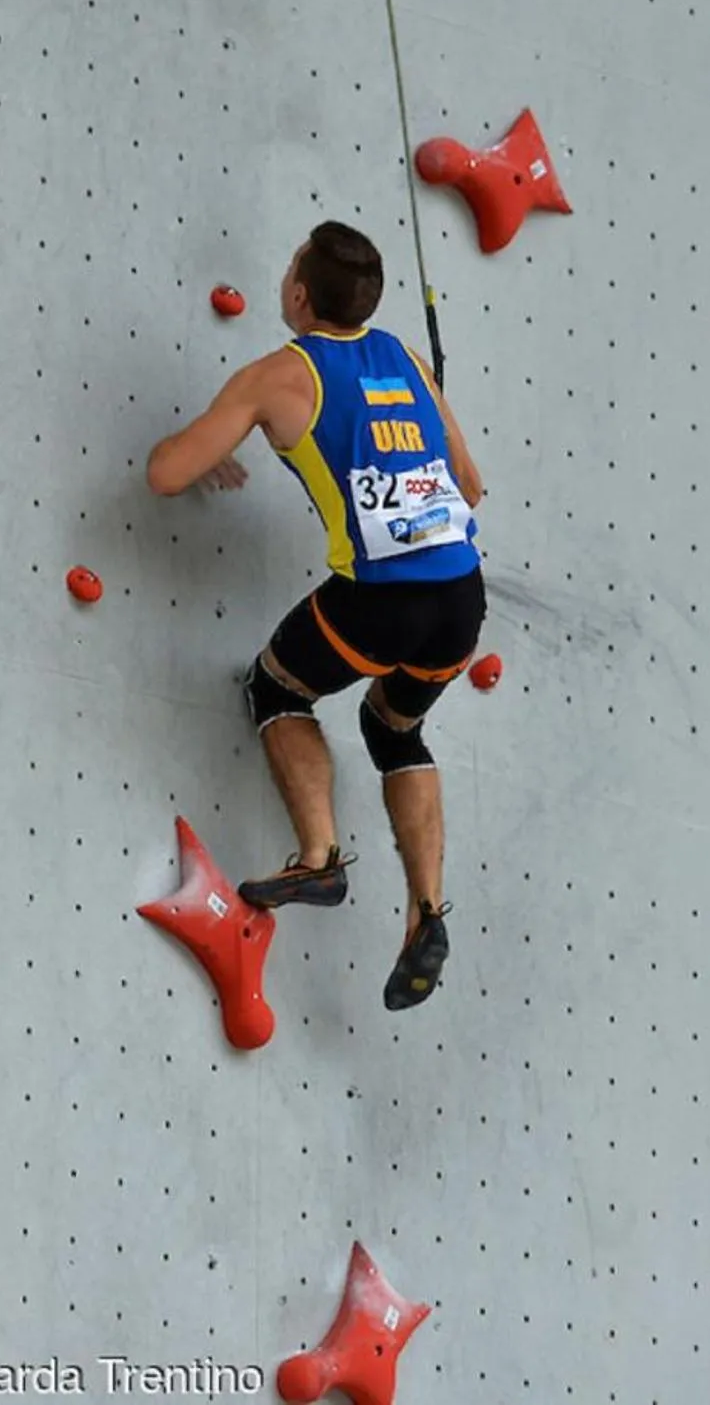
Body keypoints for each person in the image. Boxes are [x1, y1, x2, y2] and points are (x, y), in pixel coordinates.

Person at [143, 221, 484, 1011]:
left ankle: (319, 856)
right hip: (460, 599)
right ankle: (425, 912)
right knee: (392, 730)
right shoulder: (406, 359)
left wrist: (205, 451)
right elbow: (469, 487)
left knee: (277, 689)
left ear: (297, 293)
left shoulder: (278, 377)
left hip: (378, 601)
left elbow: (165, 473)